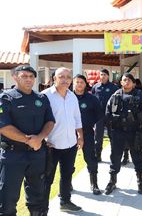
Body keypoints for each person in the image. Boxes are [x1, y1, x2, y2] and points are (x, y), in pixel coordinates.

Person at [0, 65, 55, 216]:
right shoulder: (6, 98)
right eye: (24, 76)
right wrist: (28, 140)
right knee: (7, 198)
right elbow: (3, 127)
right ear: (15, 77)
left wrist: (39, 138)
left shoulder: (41, 98)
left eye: (31, 77)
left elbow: (50, 121)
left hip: (37, 154)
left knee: (38, 195)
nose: (29, 79)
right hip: (13, 156)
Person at [42, 67, 84, 212]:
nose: (65, 80)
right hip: (51, 145)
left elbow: (77, 118)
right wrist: (43, 139)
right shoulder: (44, 96)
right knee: (47, 179)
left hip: (70, 144)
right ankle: (42, 208)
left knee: (66, 175)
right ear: (54, 78)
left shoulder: (72, 96)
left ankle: (65, 202)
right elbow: (37, 120)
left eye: (68, 77)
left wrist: (80, 136)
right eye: (61, 76)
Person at [104, 73, 142, 195]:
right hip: (118, 132)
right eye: (124, 80)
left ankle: (140, 181)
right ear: (121, 82)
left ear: (134, 83)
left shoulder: (139, 95)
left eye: (130, 80)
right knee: (115, 157)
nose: (127, 82)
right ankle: (112, 181)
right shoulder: (115, 95)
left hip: (134, 132)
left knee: (137, 157)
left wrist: (140, 127)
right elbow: (108, 112)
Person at [73, 74, 103, 195]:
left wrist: (90, 123)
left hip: (87, 132)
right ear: (73, 83)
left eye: (81, 82)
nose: (79, 84)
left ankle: (94, 184)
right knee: (68, 160)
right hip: (70, 134)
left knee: (91, 158)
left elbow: (99, 114)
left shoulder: (92, 99)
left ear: (85, 84)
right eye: (77, 82)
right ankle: (66, 184)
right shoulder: (68, 97)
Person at [91, 69, 118, 162]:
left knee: (112, 136)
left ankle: (114, 155)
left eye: (104, 75)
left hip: (110, 116)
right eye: (101, 74)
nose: (102, 76)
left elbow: (117, 101)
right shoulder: (95, 87)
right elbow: (93, 100)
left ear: (108, 76)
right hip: (98, 116)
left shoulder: (114, 87)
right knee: (98, 137)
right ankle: (98, 155)